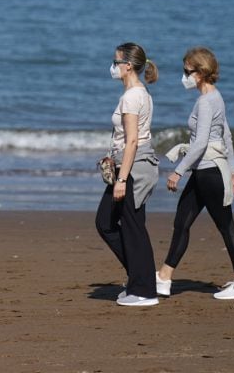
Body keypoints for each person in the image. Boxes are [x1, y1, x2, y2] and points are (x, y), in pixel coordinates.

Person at [156, 46, 234, 300]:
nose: (184, 76)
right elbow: (228, 137)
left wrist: (178, 172)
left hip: (209, 172)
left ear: (200, 73)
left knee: (226, 226)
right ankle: (164, 277)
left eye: (187, 71)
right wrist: (232, 171)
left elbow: (201, 143)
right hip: (205, 172)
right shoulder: (216, 97)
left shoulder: (205, 102)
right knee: (182, 222)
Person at [95, 42, 161, 306]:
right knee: (111, 223)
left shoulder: (132, 96)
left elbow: (133, 140)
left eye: (116, 62)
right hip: (130, 164)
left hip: (133, 169)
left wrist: (122, 178)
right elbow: (127, 138)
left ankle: (144, 290)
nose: (113, 67)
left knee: (127, 227)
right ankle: (140, 279)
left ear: (128, 66)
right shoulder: (138, 93)